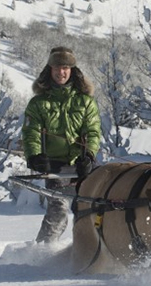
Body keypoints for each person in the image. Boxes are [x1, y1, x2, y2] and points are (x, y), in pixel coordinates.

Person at [22, 46, 101, 243]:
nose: (61, 72)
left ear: (72, 70)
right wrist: (35, 156)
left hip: (81, 166)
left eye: (65, 67)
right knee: (58, 211)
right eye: (57, 67)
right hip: (54, 167)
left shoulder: (86, 102)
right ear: (49, 70)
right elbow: (31, 132)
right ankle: (42, 253)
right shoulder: (38, 103)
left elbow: (93, 131)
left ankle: (91, 250)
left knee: (90, 209)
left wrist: (89, 156)